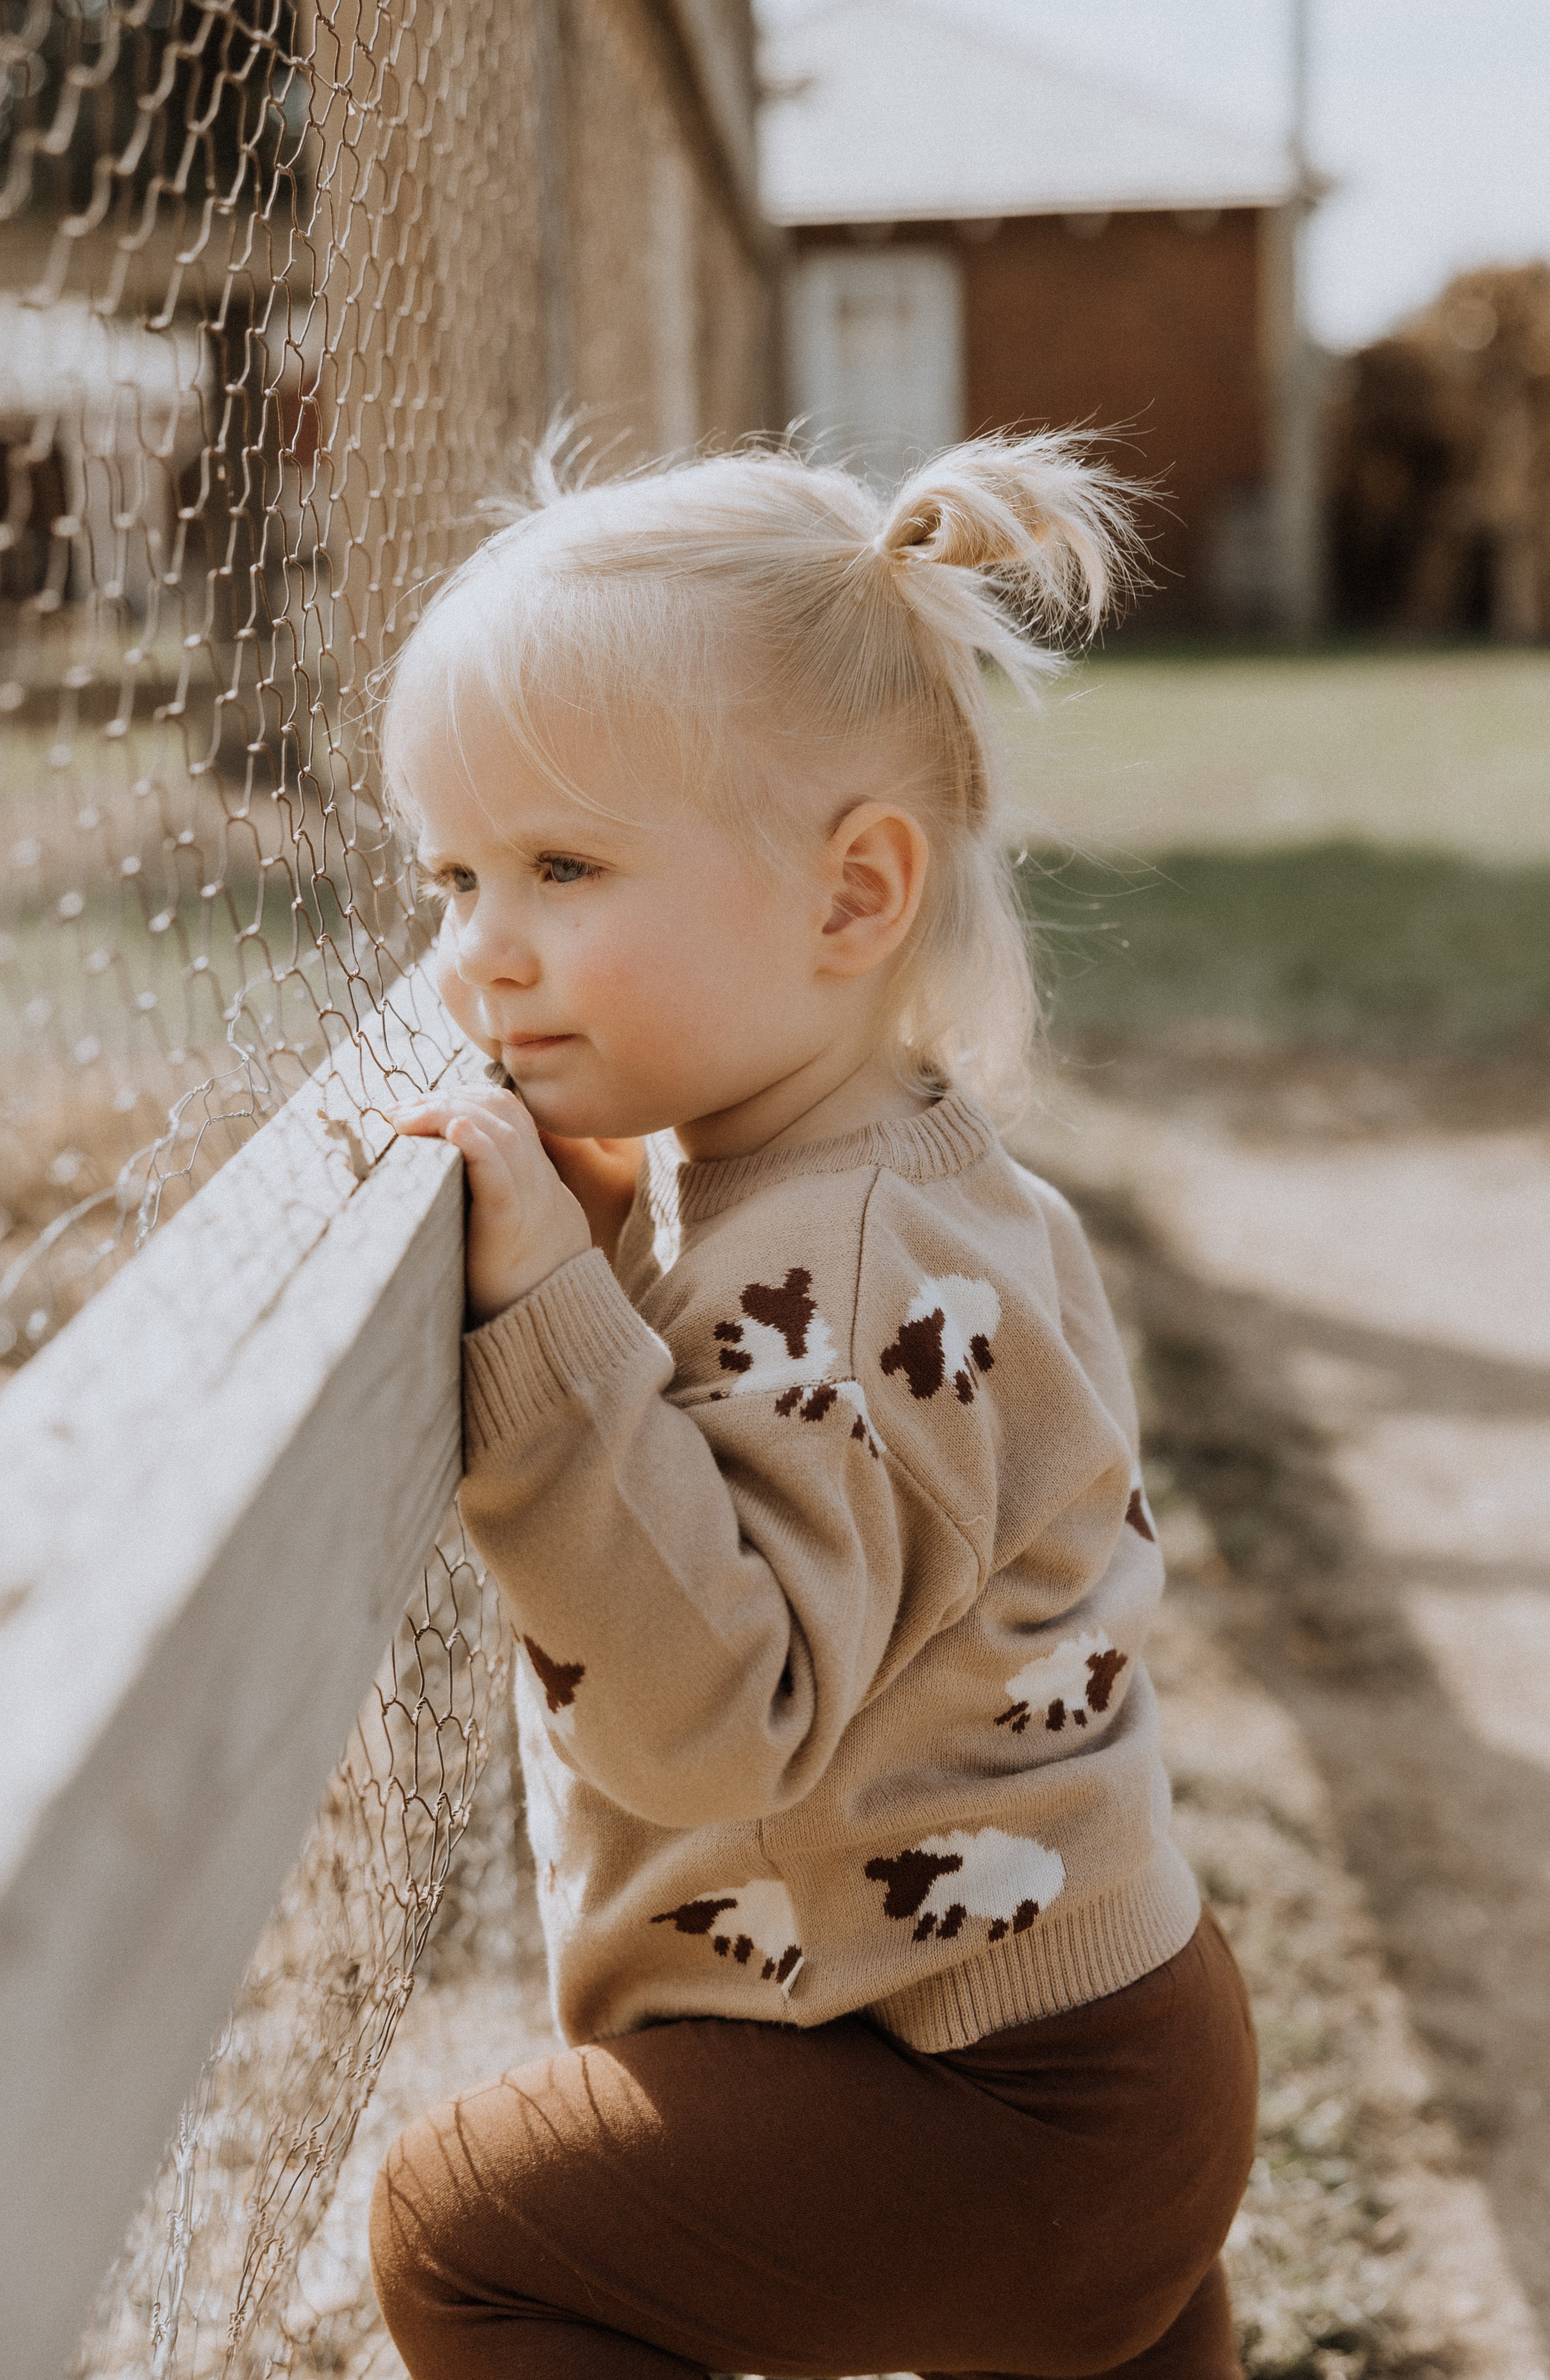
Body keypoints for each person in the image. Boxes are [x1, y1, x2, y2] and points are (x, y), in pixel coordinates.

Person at [373, 433, 1257, 2380]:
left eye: (562, 867)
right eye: (452, 874)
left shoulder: (836, 1260)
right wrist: (611, 1276)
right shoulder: (910, 1185)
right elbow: (803, 1514)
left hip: (983, 2101)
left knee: (472, 2239)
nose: (478, 952)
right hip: (1111, 2040)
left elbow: (714, 1715)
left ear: (851, 893)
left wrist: (539, 1325)